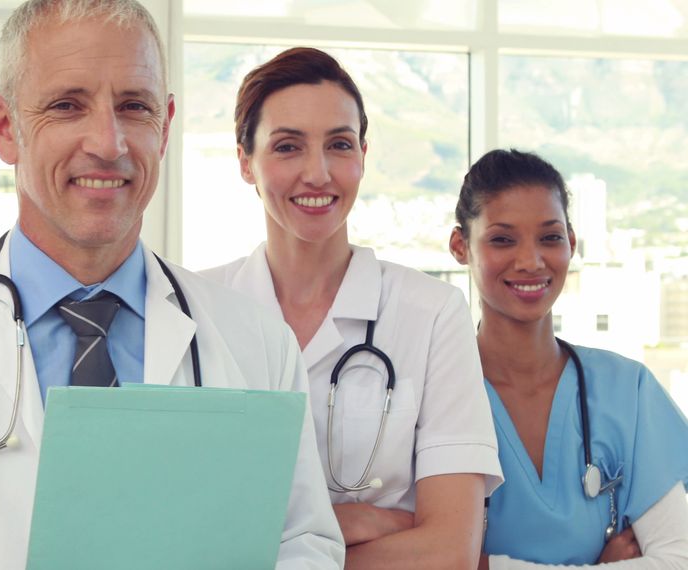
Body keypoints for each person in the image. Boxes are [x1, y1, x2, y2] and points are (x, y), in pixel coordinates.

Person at [0, 1, 345, 568]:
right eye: (66, 106)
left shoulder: (258, 347)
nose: (108, 142)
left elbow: (304, 547)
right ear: (6, 128)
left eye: (134, 106)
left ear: (166, 126)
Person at [200, 47, 503, 568]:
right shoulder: (194, 310)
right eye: (288, 146)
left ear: (362, 154)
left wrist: (282, 548)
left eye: (339, 145)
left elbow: (452, 550)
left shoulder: (432, 314)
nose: (317, 174)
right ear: (246, 162)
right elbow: (181, 534)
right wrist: (371, 524)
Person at [449, 149, 688, 569]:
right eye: (502, 239)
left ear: (571, 244)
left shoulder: (625, 390)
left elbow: (677, 557)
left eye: (550, 237)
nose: (530, 261)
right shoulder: (436, 393)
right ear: (460, 246)